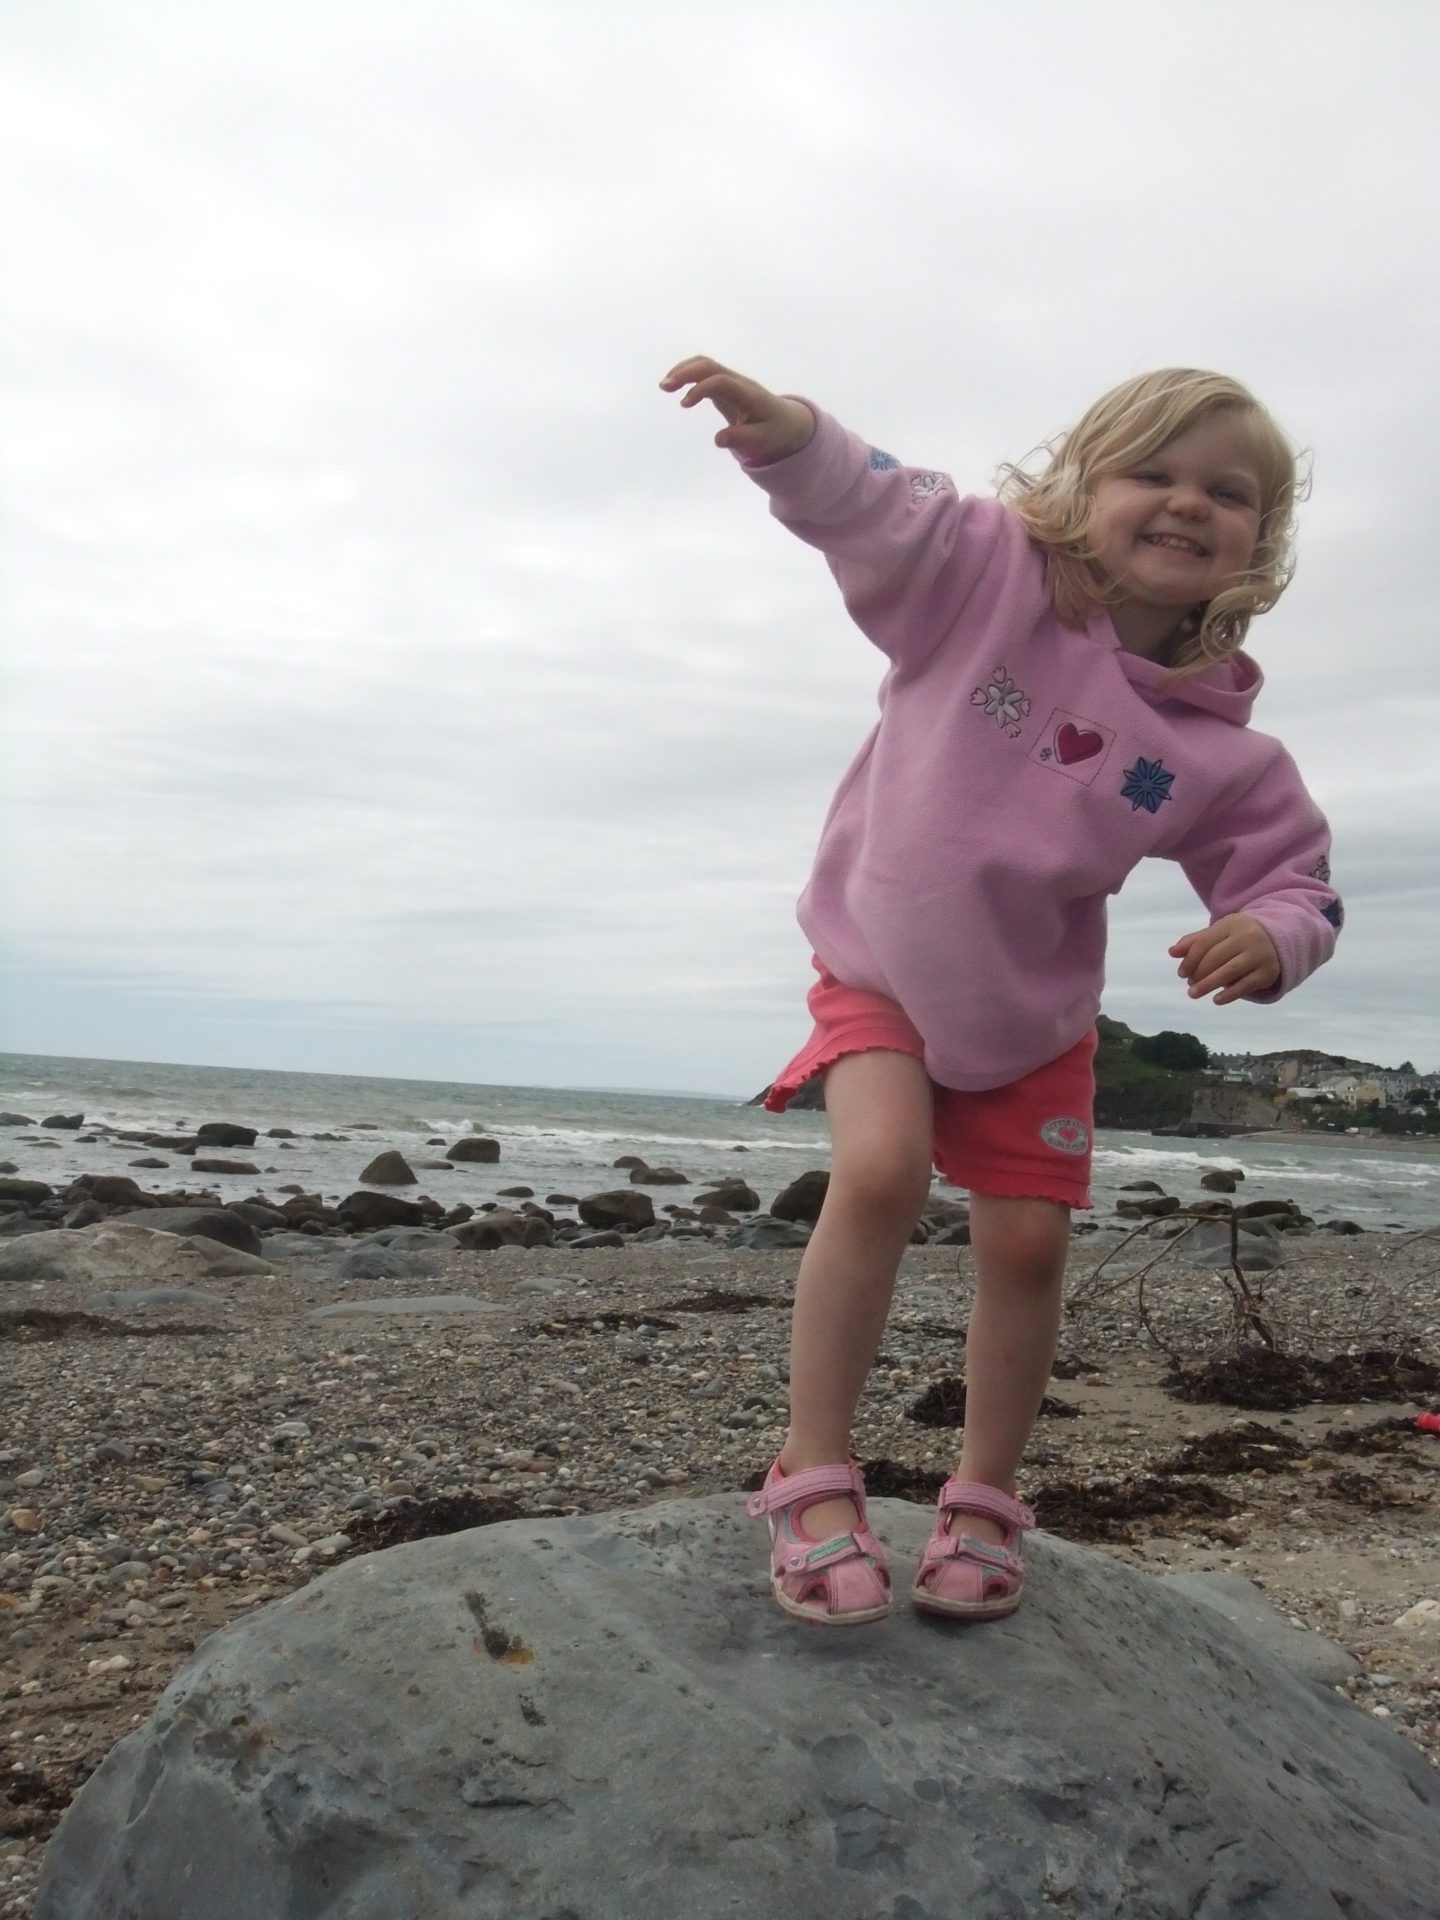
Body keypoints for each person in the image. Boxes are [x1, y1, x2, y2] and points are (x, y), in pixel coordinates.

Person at [660, 355, 1342, 1628]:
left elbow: (1298, 877)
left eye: (1229, 491)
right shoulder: (985, 586)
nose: (1188, 503)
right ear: (1082, 489)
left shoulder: (1222, 751)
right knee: (879, 1174)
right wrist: (791, 435)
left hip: (1032, 1010)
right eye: (1153, 472)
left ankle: (983, 1497)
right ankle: (810, 1474)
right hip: (879, 961)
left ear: (1263, 538)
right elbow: (885, 508)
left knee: (1027, 1244)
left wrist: (1267, 933)